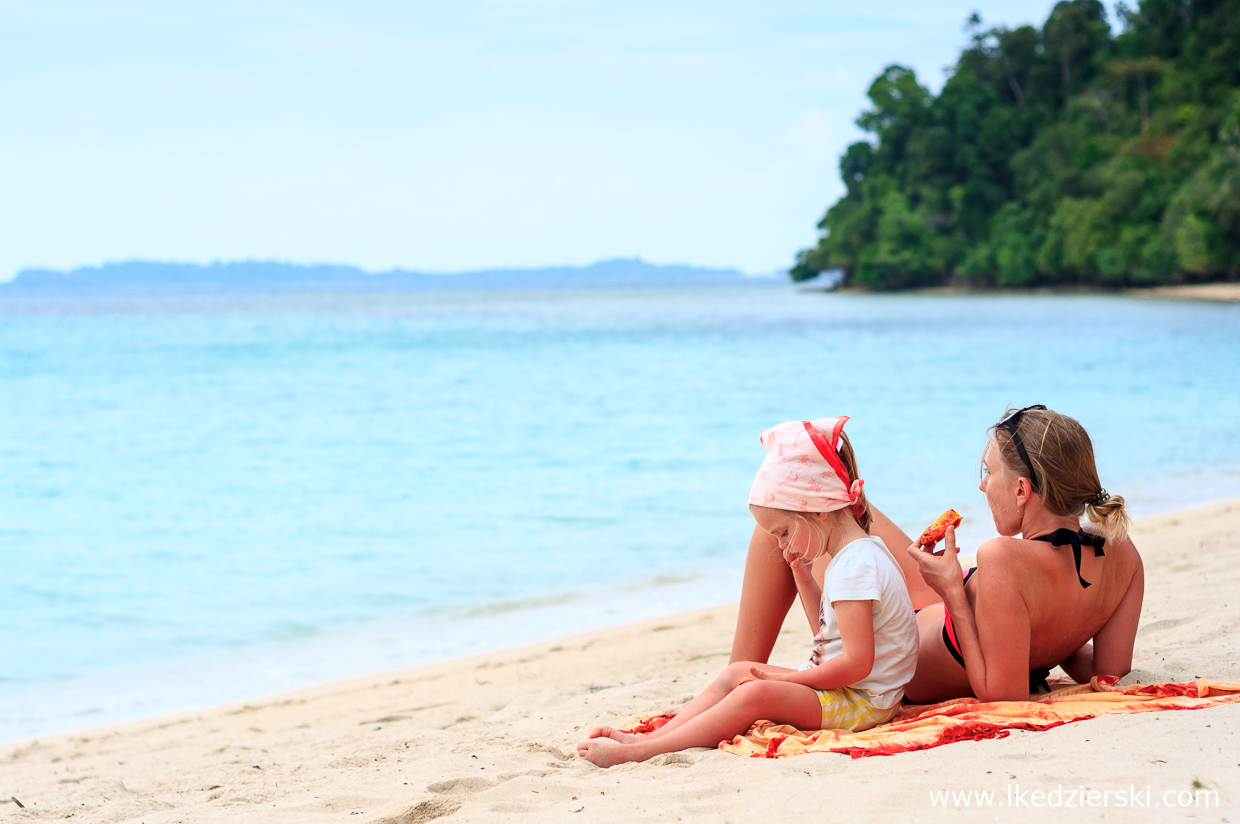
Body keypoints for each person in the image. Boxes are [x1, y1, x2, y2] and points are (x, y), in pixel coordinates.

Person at [729, 405, 1144, 705]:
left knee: (789, 518)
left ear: (1022, 491)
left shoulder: (1003, 557)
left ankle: (736, 678)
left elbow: (1003, 695)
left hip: (901, 652)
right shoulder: (1120, 552)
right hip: (932, 620)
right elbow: (1104, 673)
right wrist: (1052, 627)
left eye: (988, 472)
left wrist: (955, 593)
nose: (983, 487)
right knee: (828, 514)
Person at [576, 417, 918, 768]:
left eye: (783, 532)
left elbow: (856, 663)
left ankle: (641, 752)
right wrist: (803, 580)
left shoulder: (854, 567)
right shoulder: (855, 555)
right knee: (737, 672)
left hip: (864, 702)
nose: (781, 544)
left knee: (754, 691)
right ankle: (656, 736)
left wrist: (792, 679)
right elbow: (829, 634)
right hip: (851, 690)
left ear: (816, 509)